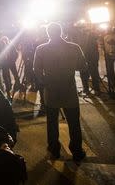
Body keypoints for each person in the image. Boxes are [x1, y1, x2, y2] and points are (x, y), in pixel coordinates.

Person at [33, 22, 87, 162]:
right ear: (61, 32)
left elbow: (36, 69)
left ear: (48, 33)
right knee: (74, 122)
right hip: (69, 90)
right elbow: (82, 66)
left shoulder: (41, 49)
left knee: (52, 123)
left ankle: (54, 149)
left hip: (51, 91)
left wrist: (45, 81)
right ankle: (76, 150)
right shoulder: (74, 47)